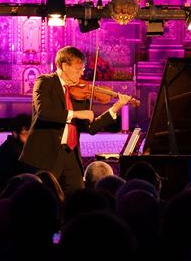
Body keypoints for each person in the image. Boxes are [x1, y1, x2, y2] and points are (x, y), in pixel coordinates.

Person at [19, 46, 131, 197]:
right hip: (47, 153)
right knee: (45, 198)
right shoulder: (45, 82)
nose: (82, 73)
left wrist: (115, 107)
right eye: (78, 69)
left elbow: (91, 127)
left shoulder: (80, 90)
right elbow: (45, 112)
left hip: (70, 154)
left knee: (77, 196)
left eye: (83, 69)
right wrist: (77, 114)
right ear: (64, 66)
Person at [0, 113, 32, 192]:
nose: (29, 137)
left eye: (31, 133)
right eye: (26, 134)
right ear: (15, 133)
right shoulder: (10, 150)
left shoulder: (20, 146)